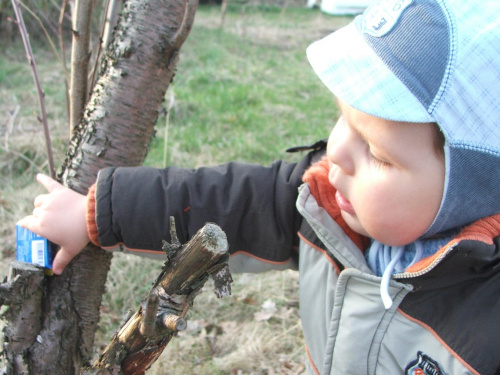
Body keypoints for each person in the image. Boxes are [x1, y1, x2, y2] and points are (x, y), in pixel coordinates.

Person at [18, 0, 500, 373]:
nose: (337, 153)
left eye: (377, 152)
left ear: (473, 188)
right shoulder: (326, 204)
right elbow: (227, 201)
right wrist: (97, 211)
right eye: (343, 118)